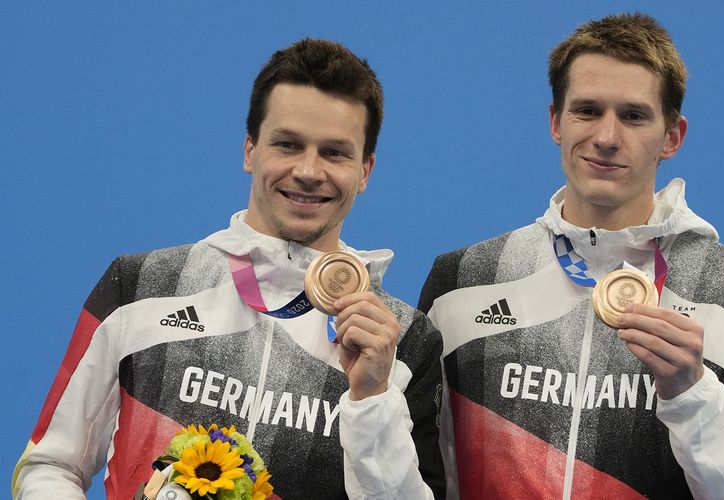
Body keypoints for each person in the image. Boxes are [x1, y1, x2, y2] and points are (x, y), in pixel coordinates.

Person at [13, 38, 444, 499]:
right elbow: (49, 466)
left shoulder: (400, 341)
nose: (308, 170)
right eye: (288, 144)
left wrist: (373, 399)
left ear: (365, 171)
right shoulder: (140, 286)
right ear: (249, 151)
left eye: (335, 152)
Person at [418, 12, 724, 500]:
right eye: (587, 110)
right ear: (556, 121)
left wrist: (693, 394)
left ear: (672, 137)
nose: (606, 137)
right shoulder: (463, 280)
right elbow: (421, 479)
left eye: (634, 115)